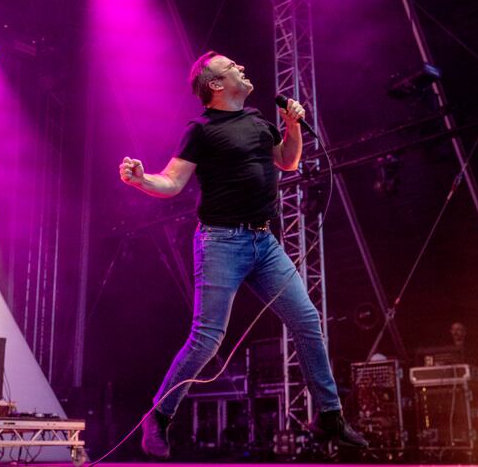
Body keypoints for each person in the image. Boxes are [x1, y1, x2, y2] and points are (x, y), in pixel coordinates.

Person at [119, 51, 367, 458]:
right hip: (221, 241)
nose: (242, 68)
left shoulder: (257, 121)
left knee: (306, 321)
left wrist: (291, 127)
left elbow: (288, 161)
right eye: (232, 67)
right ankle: (159, 415)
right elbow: (172, 181)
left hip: (265, 243)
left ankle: (329, 416)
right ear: (215, 84)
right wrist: (142, 179)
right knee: (207, 338)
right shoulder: (201, 129)